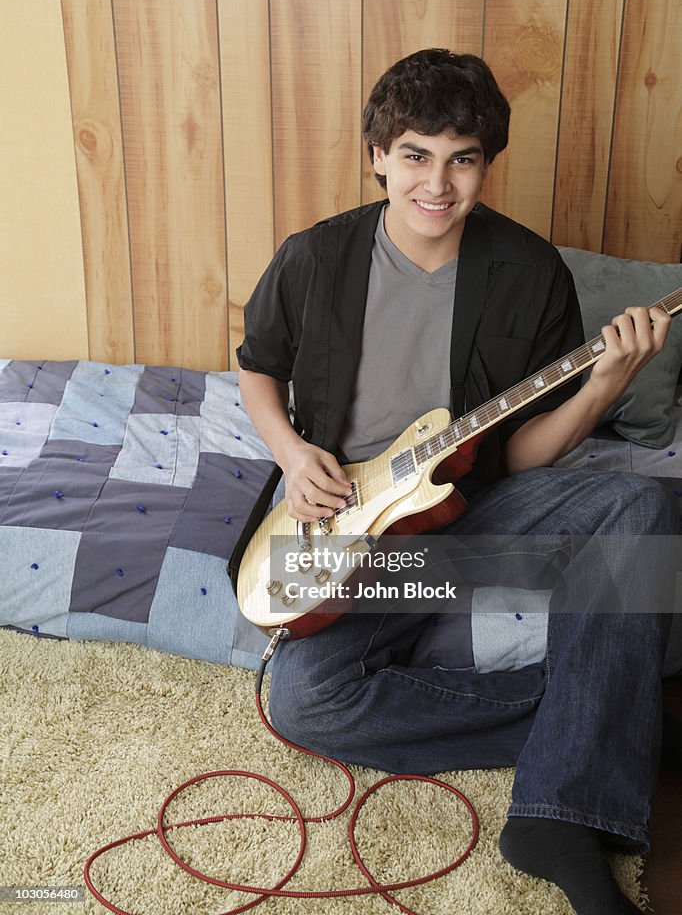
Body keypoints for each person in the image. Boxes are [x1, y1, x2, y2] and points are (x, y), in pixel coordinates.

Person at [237, 48, 681, 915]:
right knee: (304, 701)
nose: (437, 183)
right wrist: (293, 455)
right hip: (361, 533)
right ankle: (608, 723)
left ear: (485, 163)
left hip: (473, 516)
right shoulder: (315, 257)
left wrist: (604, 386)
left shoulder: (529, 272)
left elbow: (519, 459)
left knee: (645, 504)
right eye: (415, 155)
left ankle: (558, 816)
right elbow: (257, 368)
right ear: (377, 156)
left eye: (463, 158)